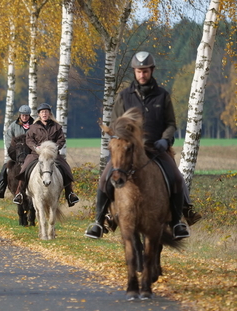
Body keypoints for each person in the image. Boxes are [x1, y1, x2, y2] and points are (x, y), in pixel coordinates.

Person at [84, 51, 201, 241]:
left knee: (177, 177)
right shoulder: (124, 97)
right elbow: (115, 126)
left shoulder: (162, 96)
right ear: (134, 72)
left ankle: (179, 221)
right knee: (105, 178)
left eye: (145, 71)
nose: (142, 75)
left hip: (156, 149)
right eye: (139, 71)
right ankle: (99, 221)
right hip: (127, 150)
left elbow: (171, 124)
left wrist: (165, 139)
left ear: (151, 70)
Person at [12, 103, 80, 208]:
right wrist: (35, 147)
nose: (44, 114)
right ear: (39, 114)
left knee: (66, 168)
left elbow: (61, 139)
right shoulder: (33, 127)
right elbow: (29, 139)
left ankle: (70, 194)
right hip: (36, 154)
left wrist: (56, 147)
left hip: (52, 155)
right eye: (42, 112)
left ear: (49, 114)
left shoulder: (57, 127)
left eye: (46, 112)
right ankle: (19, 193)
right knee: (24, 168)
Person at [0, 105, 34, 199]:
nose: (25, 117)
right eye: (23, 115)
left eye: (27, 115)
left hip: (31, 154)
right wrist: (13, 152)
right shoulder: (13, 126)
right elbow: (8, 139)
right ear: (19, 115)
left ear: (29, 116)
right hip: (16, 154)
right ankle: (0, 189)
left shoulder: (34, 125)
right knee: (5, 168)